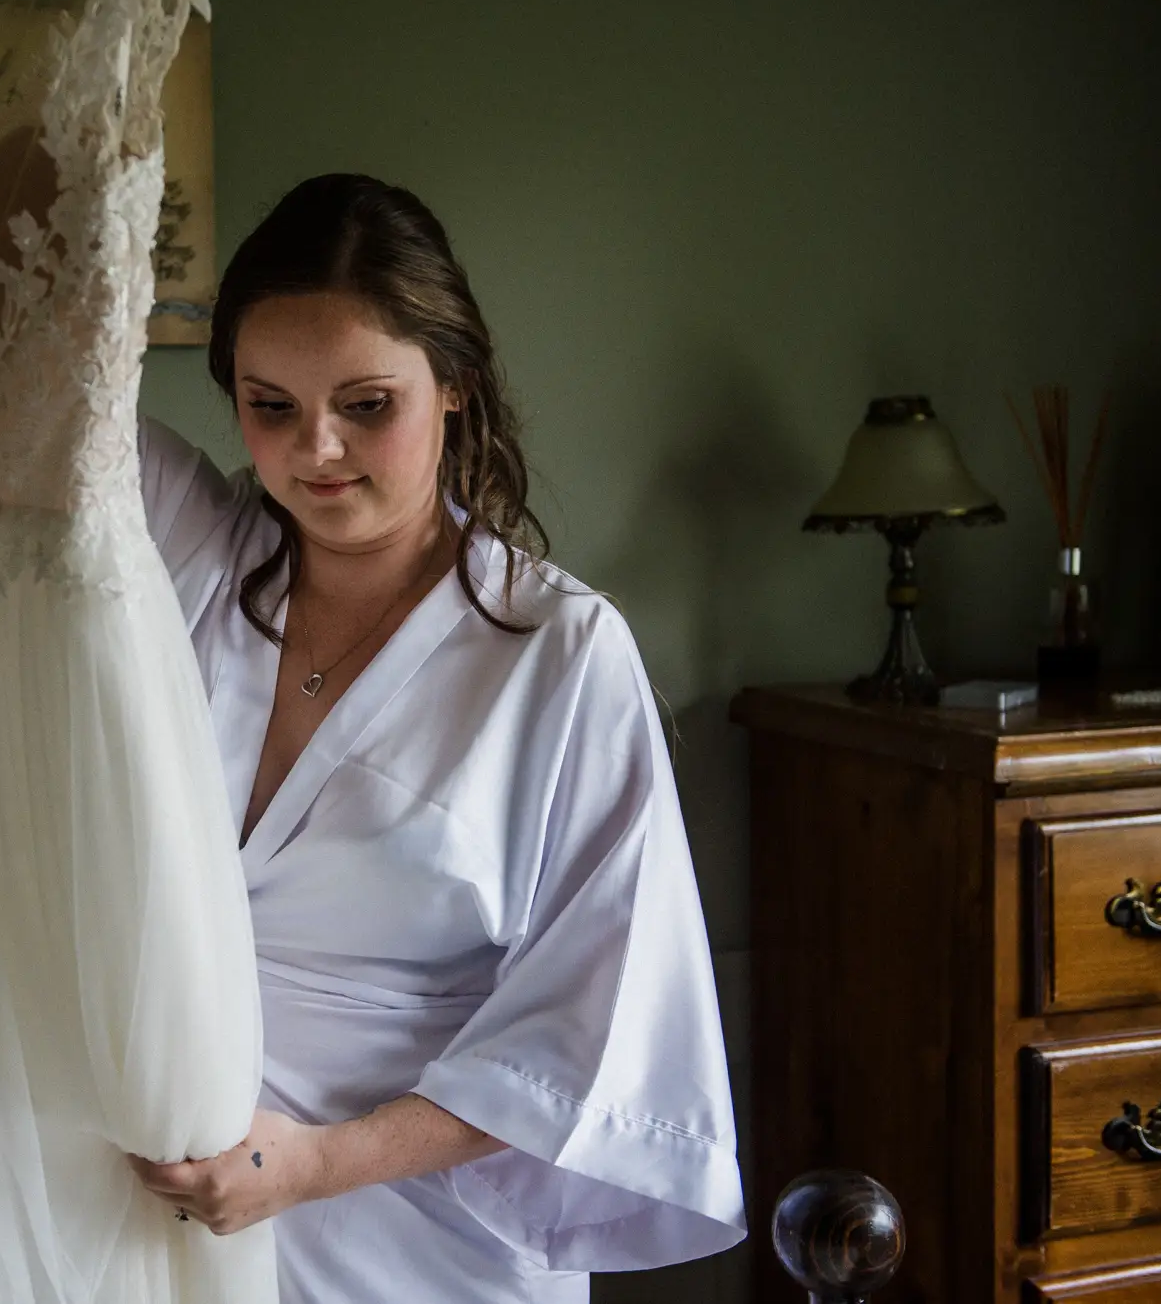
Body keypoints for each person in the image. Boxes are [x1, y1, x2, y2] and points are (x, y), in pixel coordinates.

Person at [127, 174, 744, 1303]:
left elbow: (590, 1023)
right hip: (161, 1225)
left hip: (414, 1237)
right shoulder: (185, 558)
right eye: (270, 406)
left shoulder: (558, 653)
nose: (316, 450)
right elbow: (9, 404)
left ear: (455, 386)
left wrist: (312, 1163)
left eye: (365, 404)